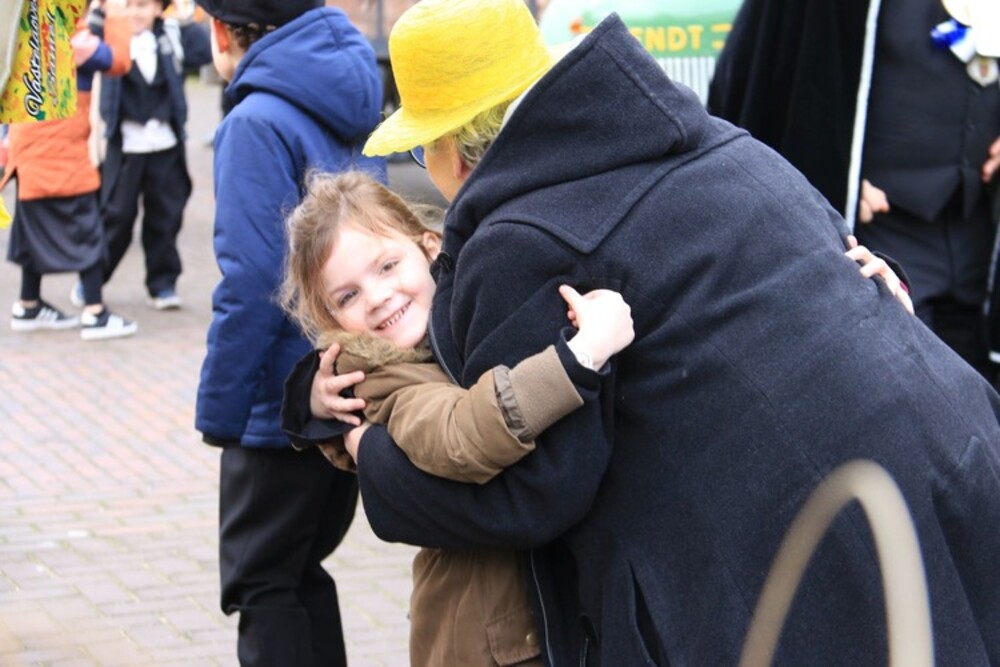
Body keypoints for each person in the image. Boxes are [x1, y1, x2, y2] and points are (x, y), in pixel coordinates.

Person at [302, 0, 1000, 664]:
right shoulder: (721, 143)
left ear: (452, 151)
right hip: (957, 460)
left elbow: (534, 496)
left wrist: (371, 453)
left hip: (821, 546)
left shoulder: (516, 245)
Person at [279, 170, 634, 666]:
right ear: (330, 320)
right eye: (348, 296)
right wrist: (580, 357)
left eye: (387, 266)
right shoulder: (381, 379)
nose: (377, 297)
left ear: (429, 247)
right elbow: (460, 434)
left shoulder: (449, 328)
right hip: (488, 642)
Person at [191, 0, 386, 664]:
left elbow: (253, 279)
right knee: (300, 571)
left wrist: (222, 408)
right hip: (346, 376)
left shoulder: (256, 121)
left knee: (263, 581)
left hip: (280, 398)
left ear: (223, 31)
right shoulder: (346, 95)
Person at [707, 0, 1000, 382]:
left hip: (981, 237)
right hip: (881, 235)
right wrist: (830, 165)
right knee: (897, 386)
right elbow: (775, 75)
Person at [2, 0, 138, 340]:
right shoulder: (73, 38)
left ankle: (28, 304)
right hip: (61, 155)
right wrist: (116, 11)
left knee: (32, 230)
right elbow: (119, 60)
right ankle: (94, 312)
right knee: (87, 231)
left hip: (27, 149)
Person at [90, 0, 210, 311]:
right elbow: (86, 40)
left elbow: (204, 51)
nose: (135, 13)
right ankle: (93, 281)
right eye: (128, 5)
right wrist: (102, 13)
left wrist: (184, 18)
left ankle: (162, 283)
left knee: (165, 217)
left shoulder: (171, 36)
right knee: (116, 217)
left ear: (159, 9)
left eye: (143, 5)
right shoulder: (108, 36)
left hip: (164, 144)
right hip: (126, 145)